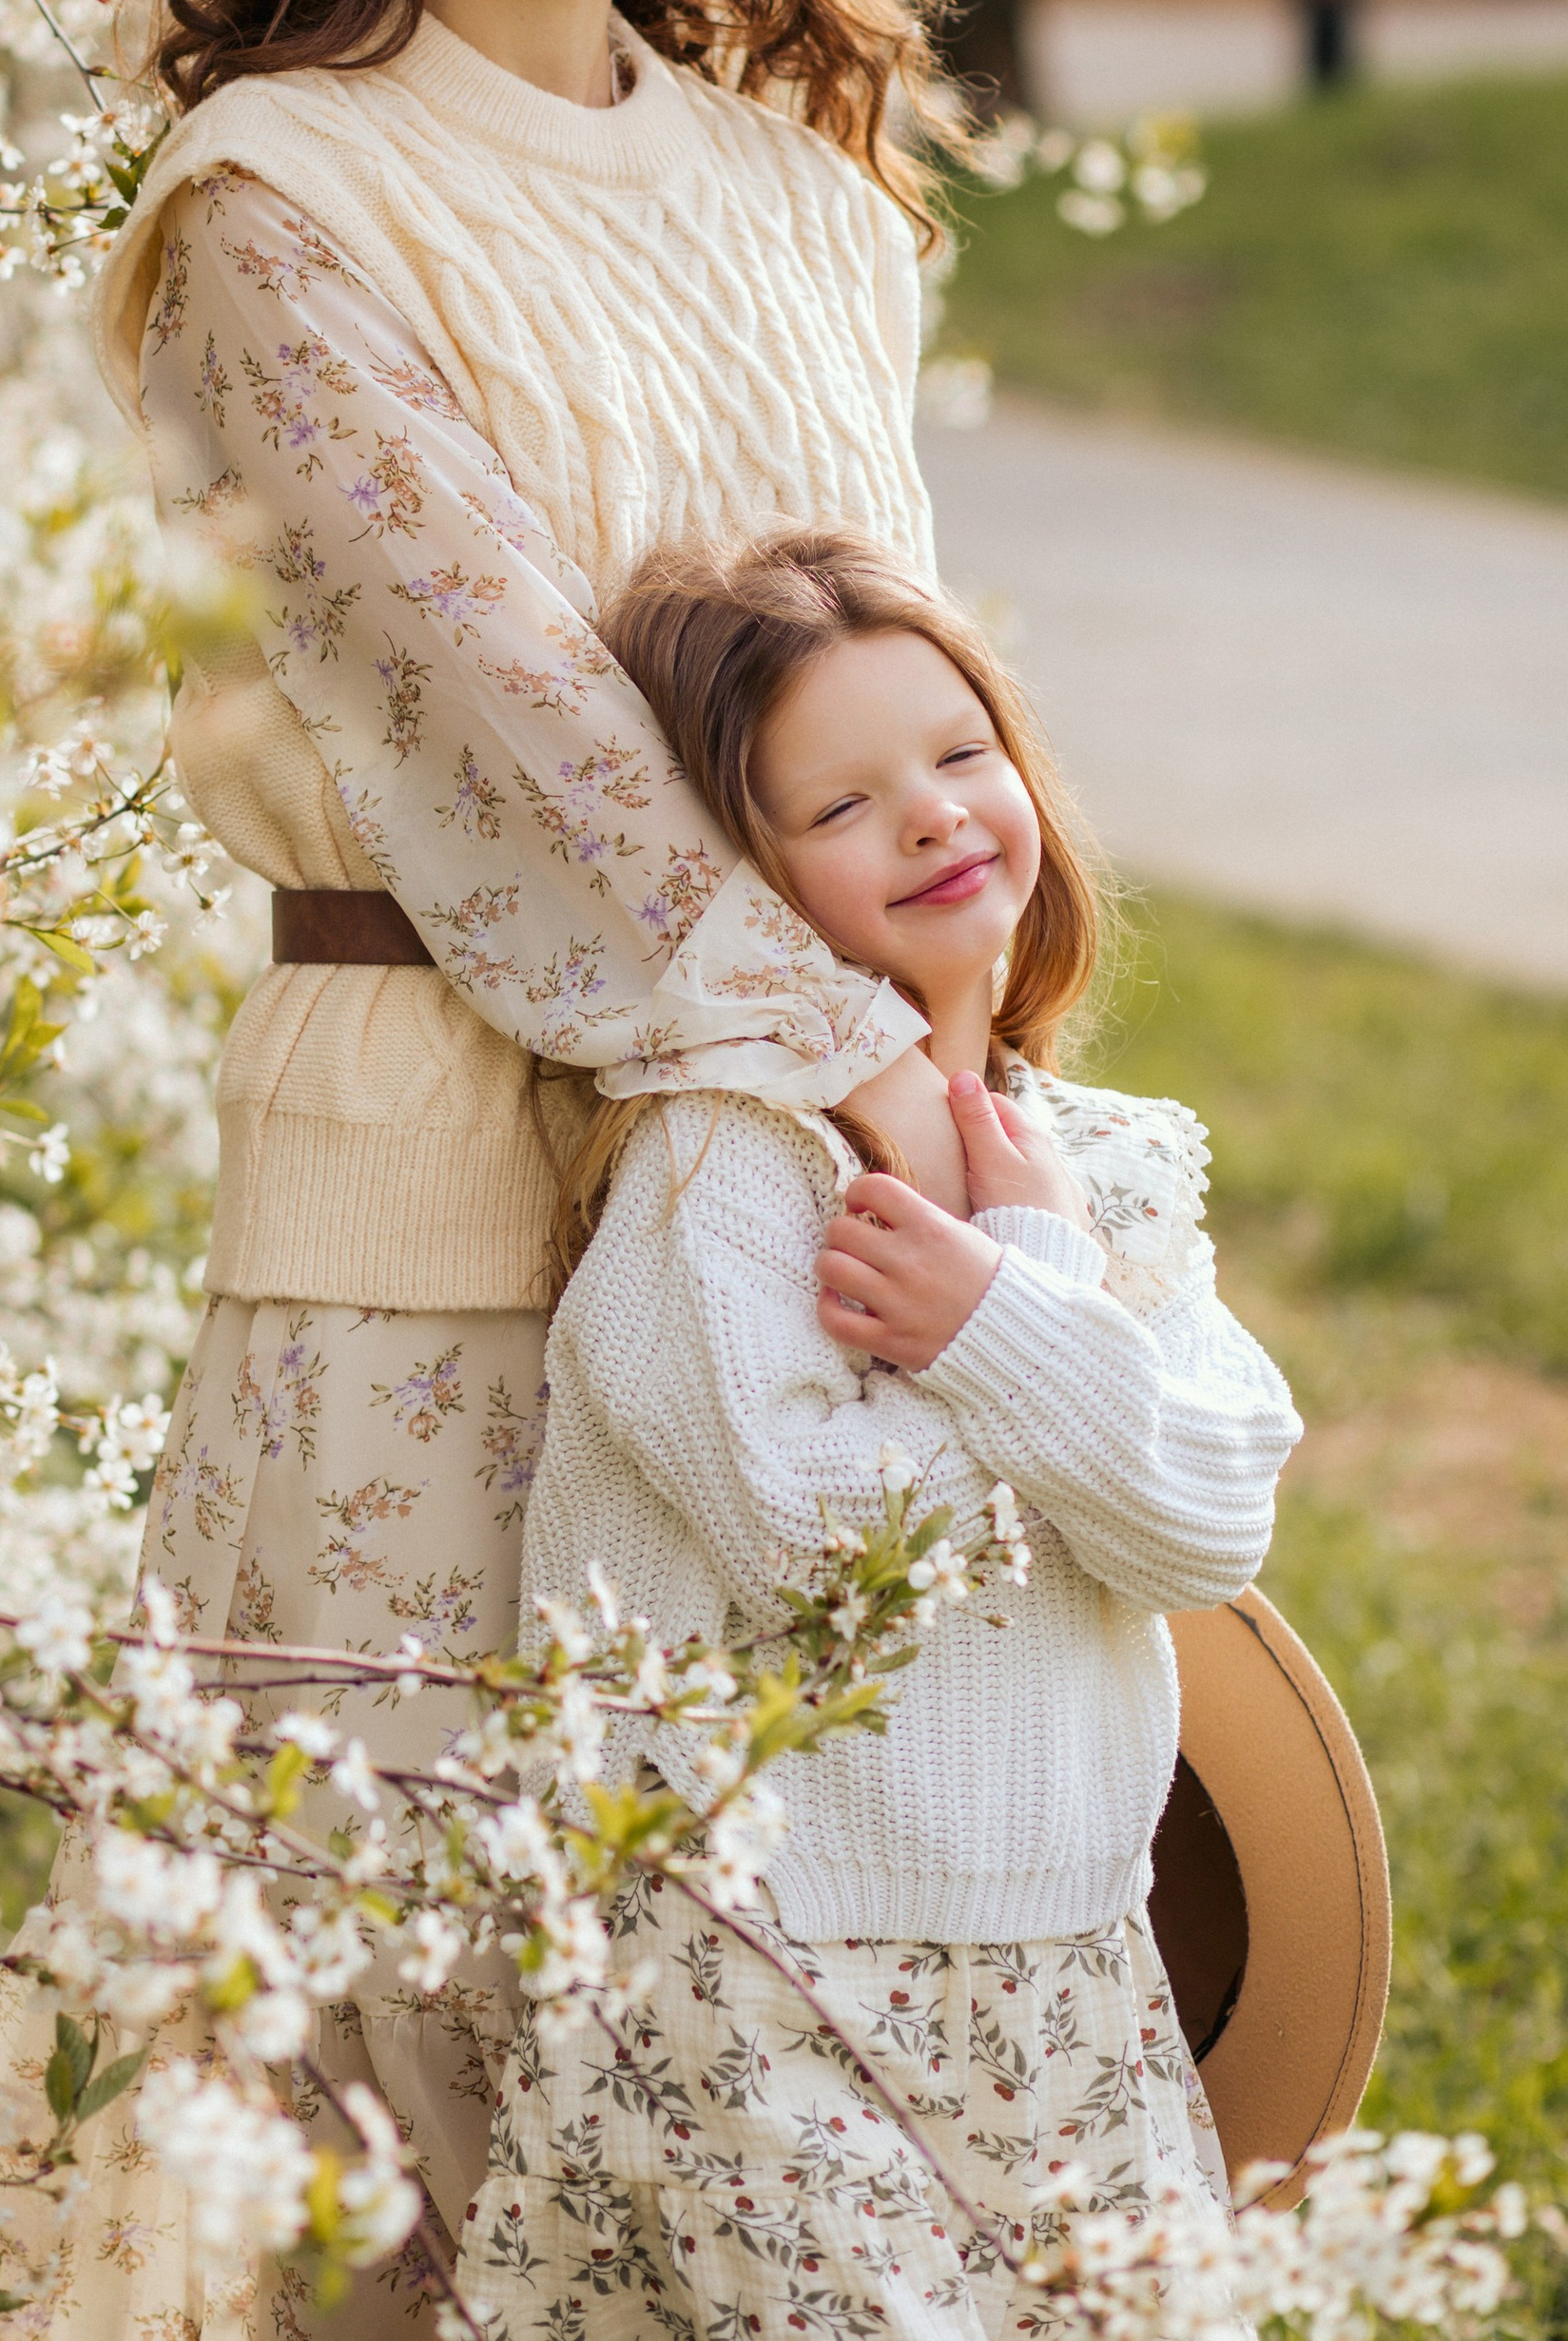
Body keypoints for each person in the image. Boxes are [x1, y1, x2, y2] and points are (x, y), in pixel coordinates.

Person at [0, 0, 991, 2334]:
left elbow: (907, 739)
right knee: (394, 2085)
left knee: (752, 2065)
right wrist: (850, 1096)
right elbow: (520, 733)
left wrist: (976, 1110)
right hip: (432, 1197)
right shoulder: (279, 201)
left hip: (811, 1225)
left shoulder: (814, 207)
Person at [455, 527, 1302, 2341]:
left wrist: (1015, 1292)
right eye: (840, 806)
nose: (930, 818)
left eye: (959, 753)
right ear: (743, 885)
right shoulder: (731, 1166)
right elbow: (832, 1553)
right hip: (771, 1966)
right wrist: (1053, 1344)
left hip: (1069, 1960)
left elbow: (1207, 1526)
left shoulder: (1112, 1163)